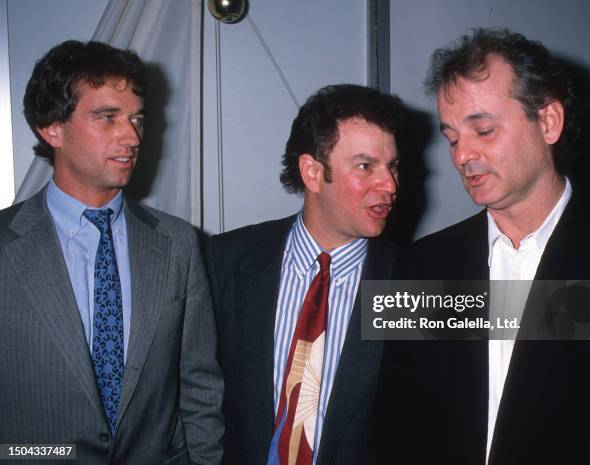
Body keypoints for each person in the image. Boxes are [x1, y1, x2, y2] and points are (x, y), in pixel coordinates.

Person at [378, 28, 590, 464]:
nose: (462, 155)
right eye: (451, 138)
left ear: (548, 122)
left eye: (482, 130)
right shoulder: (420, 265)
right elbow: (393, 425)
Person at [0, 40, 223, 465]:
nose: (133, 135)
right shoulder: (5, 246)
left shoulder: (178, 243)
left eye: (136, 118)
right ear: (52, 128)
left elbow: (200, 386)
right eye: (107, 117)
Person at [206, 84, 408, 465]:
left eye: (393, 166)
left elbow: (545, 317)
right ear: (312, 172)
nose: (390, 186)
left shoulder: (407, 280)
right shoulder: (226, 261)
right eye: (366, 166)